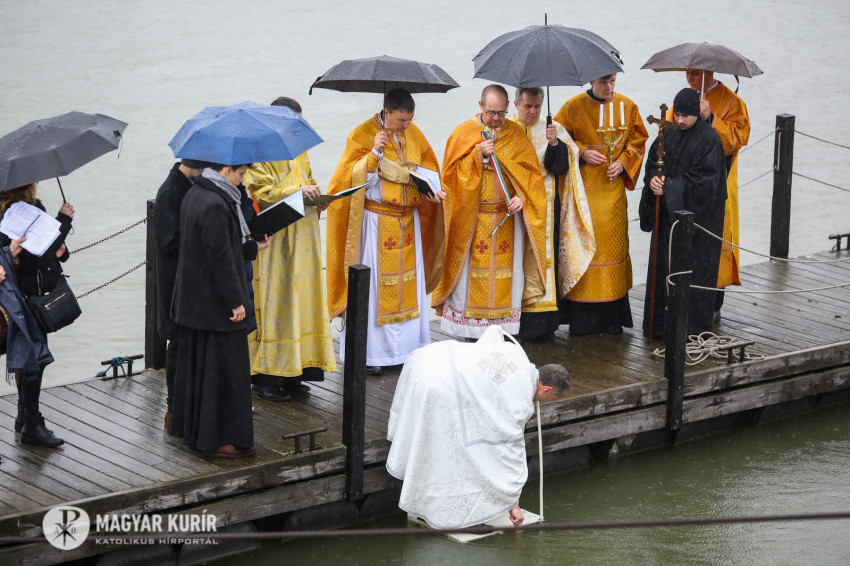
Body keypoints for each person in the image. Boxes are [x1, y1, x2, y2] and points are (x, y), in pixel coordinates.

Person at [386, 325, 571, 529]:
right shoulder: (519, 401)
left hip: (427, 359)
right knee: (457, 449)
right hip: (440, 384)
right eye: (552, 398)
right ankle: (447, 513)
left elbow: (492, 334)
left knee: (445, 443)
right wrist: (513, 503)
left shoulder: (515, 355)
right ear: (547, 389)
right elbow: (507, 454)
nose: (546, 402)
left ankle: (426, 503)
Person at [326, 88, 446, 375]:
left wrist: (431, 191)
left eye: (410, 119)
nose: (406, 125)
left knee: (409, 287)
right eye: (401, 120)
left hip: (408, 222)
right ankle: (372, 355)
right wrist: (374, 154)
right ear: (387, 112)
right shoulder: (363, 134)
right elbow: (347, 180)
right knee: (375, 290)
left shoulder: (413, 133)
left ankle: (407, 351)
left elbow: (428, 167)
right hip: (376, 222)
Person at [432, 84, 547, 340]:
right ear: (480, 106)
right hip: (473, 221)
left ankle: (503, 334)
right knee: (471, 279)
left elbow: (531, 177)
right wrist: (477, 154)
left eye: (501, 113)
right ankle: (470, 334)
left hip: (508, 221)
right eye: (491, 112)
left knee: (506, 279)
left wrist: (521, 197)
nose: (496, 118)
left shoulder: (515, 134)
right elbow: (449, 179)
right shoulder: (463, 134)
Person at [170, 163, 269, 457]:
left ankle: (196, 433)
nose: (243, 180)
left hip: (197, 304)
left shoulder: (196, 193)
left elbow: (215, 245)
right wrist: (236, 301)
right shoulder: (216, 203)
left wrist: (253, 248)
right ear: (226, 170)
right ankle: (217, 440)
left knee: (200, 373)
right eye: (241, 174)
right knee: (223, 374)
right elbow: (220, 257)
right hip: (216, 307)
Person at [243, 97, 336, 402]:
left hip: (304, 239)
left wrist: (317, 198)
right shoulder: (259, 152)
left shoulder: (299, 149)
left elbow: (308, 182)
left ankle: (296, 372)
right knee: (277, 303)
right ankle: (267, 377)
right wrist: (296, 191)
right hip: (277, 242)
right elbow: (258, 192)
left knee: (301, 303)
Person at [554, 73, 648, 335]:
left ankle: (611, 318)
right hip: (583, 191)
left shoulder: (627, 106)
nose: (609, 87)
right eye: (603, 82)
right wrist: (582, 151)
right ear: (591, 81)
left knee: (611, 248)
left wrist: (624, 162)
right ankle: (581, 318)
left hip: (612, 190)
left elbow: (638, 141)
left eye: (613, 81)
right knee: (583, 246)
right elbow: (559, 138)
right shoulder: (573, 107)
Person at [639, 88, 727, 337]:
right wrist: (653, 181)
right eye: (676, 114)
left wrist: (668, 187)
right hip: (666, 218)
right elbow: (652, 164)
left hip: (698, 224)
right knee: (663, 270)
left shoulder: (710, 140)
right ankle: (659, 327)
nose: (679, 120)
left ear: (696, 114)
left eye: (684, 116)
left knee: (693, 274)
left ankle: (691, 330)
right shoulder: (667, 133)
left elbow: (706, 182)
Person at [509, 87, 593, 341]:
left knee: (545, 261)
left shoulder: (553, 129)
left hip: (546, 206)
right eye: (528, 106)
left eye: (537, 106)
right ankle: (514, 320)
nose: (533, 112)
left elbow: (561, 169)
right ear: (516, 105)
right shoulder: (507, 129)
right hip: (515, 206)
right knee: (517, 260)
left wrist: (555, 144)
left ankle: (542, 325)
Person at [673, 69, 751, 320]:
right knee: (688, 239)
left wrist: (711, 118)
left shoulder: (733, 102)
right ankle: (684, 297)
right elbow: (672, 133)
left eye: (695, 74)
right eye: (687, 73)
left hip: (719, 182)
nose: (690, 79)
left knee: (716, 238)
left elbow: (735, 141)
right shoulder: (685, 97)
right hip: (688, 181)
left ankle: (714, 301)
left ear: (710, 71)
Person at [0, 183, 73, 447]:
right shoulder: (6, 214)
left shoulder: (35, 207)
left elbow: (49, 249)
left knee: (33, 359)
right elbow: (30, 256)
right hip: (19, 298)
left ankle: (25, 416)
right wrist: (64, 220)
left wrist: (62, 249)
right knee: (34, 360)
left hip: (34, 295)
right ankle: (31, 423)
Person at [153, 158, 207, 431]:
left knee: (190, 346)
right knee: (178, 346)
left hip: (191, 282)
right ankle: (174, 409)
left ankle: (189, 408)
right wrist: (203, 236)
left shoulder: (191, 186)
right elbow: (168, 243)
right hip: (175, 283)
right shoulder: (169, 192)